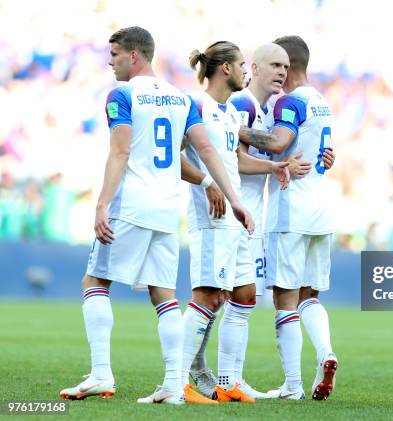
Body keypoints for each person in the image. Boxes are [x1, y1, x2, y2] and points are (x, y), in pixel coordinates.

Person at [59, 27, 251, 405]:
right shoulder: (182, 99)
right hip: (167, 210)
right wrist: (234, 198)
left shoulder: (122, 95)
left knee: (94, 282)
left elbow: (121, 151)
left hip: (131, 204)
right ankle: (171, 385)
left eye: (113, 53)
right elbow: (208, 150)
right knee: (163, 295)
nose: (109, 61)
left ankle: (101, 373)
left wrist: (101, 204)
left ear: (134, 56)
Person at [181, 40, 289, 403]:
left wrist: (269, 170)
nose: (245, 70)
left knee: (243, 295)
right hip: (210, 217)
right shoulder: (195, 106)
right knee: (208, 297)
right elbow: (174, 159)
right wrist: (206, 183)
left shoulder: (227, 113)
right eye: (242, 64)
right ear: (225, 68)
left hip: (234, 215)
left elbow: (233, 162)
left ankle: (227, 381)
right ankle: (178, 381)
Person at [228, 42, 335, 399]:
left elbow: (278, 142)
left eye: (280, 65)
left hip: (292, 210)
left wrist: (234, 130)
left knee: (285, 301)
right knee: (310, 296)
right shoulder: (322, 99)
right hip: (322, 209)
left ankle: (292, 386)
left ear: (288, 67)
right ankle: (326, 354)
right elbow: (323, 150)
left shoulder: (291, 101)